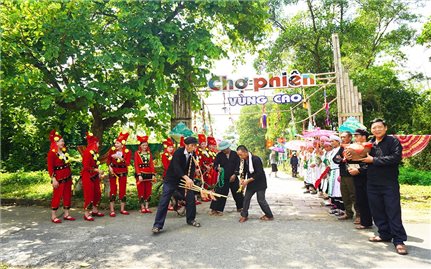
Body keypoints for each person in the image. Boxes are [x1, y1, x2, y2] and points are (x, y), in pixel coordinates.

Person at [361, 118, 408, 255]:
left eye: (379, 127)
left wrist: (373, 160)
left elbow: (395, 158)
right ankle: (384, 234)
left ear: (385, 128)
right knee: (377, 210)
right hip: (372, 183)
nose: (377, 130)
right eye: (374, 128)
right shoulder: (369, 144)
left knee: (393, 211)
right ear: (371, 130)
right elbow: (364, 161)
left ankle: (399, 240)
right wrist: (352, 158)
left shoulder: (393, 141)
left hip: (389, 183)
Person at [152, 136, 201, 233]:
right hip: (171, 180)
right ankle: (157, 225)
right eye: (192, 145)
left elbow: (191, 169)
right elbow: (176, 167)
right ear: (186, 145)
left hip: (184, 180)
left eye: (195, 145)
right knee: (164, 200)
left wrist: (190, 180)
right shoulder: (178, 153)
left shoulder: (193, 154)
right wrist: (186, 178)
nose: (194, 147)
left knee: (190, 197)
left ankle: (191, 219)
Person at [236, 145, 274, 223]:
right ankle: (244, 215)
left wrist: (248, 181)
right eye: (238, 155)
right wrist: (242, 179)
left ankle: (269, 215)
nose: (240, 156)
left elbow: (259, 173)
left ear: (245, 152)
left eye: (241, 154)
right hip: (251, 184)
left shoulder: (256, 159)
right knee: (246, 199)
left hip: (260, 183)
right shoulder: (244, 160)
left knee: (261, 200)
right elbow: (243, 171)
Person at [47, 130, 75, 223]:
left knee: (67, 195)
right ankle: (53, 215)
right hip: (58, 177)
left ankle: (67, 214)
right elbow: (50, 168)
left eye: (63, 141)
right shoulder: (52, 153)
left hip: (67, 176)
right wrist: (53, 179)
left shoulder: (63, 152)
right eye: (60, 141)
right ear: (55, 142)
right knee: (57, 195)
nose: (63, 143)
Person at [209, 140, 244, 216]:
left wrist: (235, 174)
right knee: (220, 192)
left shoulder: (235, 154)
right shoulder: (219, 155)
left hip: (233, 177)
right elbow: (215, 165)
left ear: (228, 148)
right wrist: (218, 169)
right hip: (223, 178)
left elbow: (238, 165)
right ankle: (216, 209)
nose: (223, 151)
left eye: (224, 149)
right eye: (222, 150)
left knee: (237, 192)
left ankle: (240, 207)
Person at [347, 129, 373, 229]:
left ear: (363, 136)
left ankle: (368, 221)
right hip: (356, 175)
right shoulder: (353, 147)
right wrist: (349, 166)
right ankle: (365, 221)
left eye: (357, 136)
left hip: (368, 176)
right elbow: (349, 161)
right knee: (360, 199)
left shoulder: (370, 146)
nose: (355, 138)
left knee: (368, 200)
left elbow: (370, 163)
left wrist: (360, 170)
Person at [333, 131, 359, 222]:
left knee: (354, 195)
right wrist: (341, 159)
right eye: (341, 137)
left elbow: (357, 159)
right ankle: (348, 212)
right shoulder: (342, 147)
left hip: (351, 174)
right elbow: (335, 158)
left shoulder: (354, 146)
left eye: (344, 137)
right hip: (343, 174)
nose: (342, 139)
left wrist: (347, 159)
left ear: (350, 138)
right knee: (345, 195)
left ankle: (358, 215)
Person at [107, 131, 132, 217]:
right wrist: (109, 167)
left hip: (123, 172)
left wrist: (120, 158)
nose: (116, 145)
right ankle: (112, 210)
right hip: (113, 171)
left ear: (122, 144)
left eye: (118, 143)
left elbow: (127, 163)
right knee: (113, 190)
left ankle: (122, 209)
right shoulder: (112, 150)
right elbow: (108, 161)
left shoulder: (127, 152)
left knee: (122, 189)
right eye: (116, 143)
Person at [81, 132, 104, 221]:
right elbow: (86, 166)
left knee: (97, 193)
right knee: (89, 194)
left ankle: (95, 210)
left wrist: (98, 172)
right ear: (94, 143)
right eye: (97, 143)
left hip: (94, 175)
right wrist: (97, 170)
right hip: (87, 176)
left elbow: (95, 165)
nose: (98, 144)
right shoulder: (87, 152)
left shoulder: (94, 153)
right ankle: (87, 213)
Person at [135, 135, 156, 213]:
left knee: (148, 190)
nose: (145, 147)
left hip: (149, 174)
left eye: (146, 145)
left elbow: (151, 164)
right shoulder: (137, 153)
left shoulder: (149, 153)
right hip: (141, 174)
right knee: (141, 190)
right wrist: (139, 174)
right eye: (143, 145)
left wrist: (153, 174)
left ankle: (147, 206)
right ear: (140, 145)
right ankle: (142, 206)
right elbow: (136, 164)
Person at [161, 137, 175, 211]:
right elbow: (166, 166)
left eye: (172, 147)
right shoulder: (164, 155)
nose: (171, 149)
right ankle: (168, 204)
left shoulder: (174, 155)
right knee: (167, 191)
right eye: (169, 147)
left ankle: (175, 203)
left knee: (174, 190)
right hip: (168, 174)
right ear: (166, 147)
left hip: (174, 175)